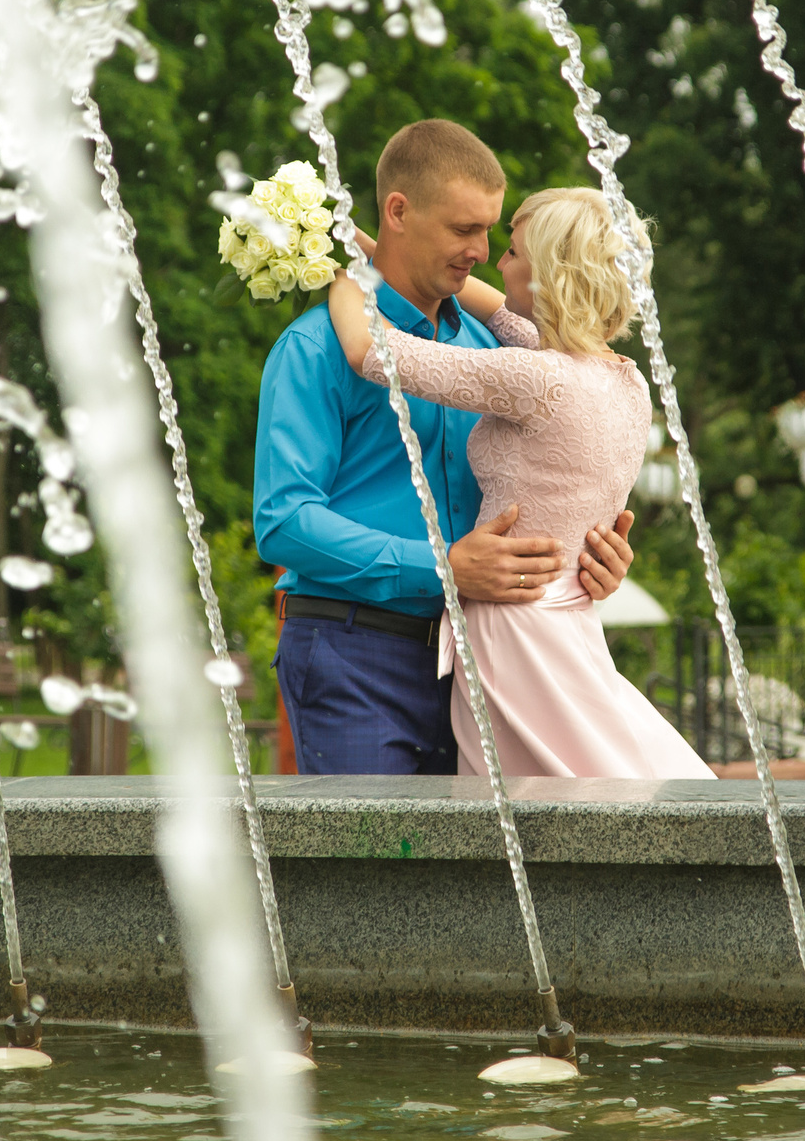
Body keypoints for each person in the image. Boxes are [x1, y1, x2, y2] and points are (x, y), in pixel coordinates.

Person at [254, 121, 638, 775]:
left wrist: (596, 557)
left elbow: (548, 475)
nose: (482, 251)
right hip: (356, 655)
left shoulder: (498, 351)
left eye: (491, 231)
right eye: (465, 229)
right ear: (399, 211)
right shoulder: (314, 348)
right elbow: (283, 523)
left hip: (487, 665)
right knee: (376, 874)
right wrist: (442, 567)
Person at [322, 186, 713, 781]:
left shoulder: (535, 377)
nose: (494, 262)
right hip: (565, 618)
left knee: (533, 807)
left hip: (515, 630)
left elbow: (369, 352)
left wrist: (333, 267)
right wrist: (377, 248)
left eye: (512, 252)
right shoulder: (624, 380)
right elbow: (493, 308)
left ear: (548, 275)